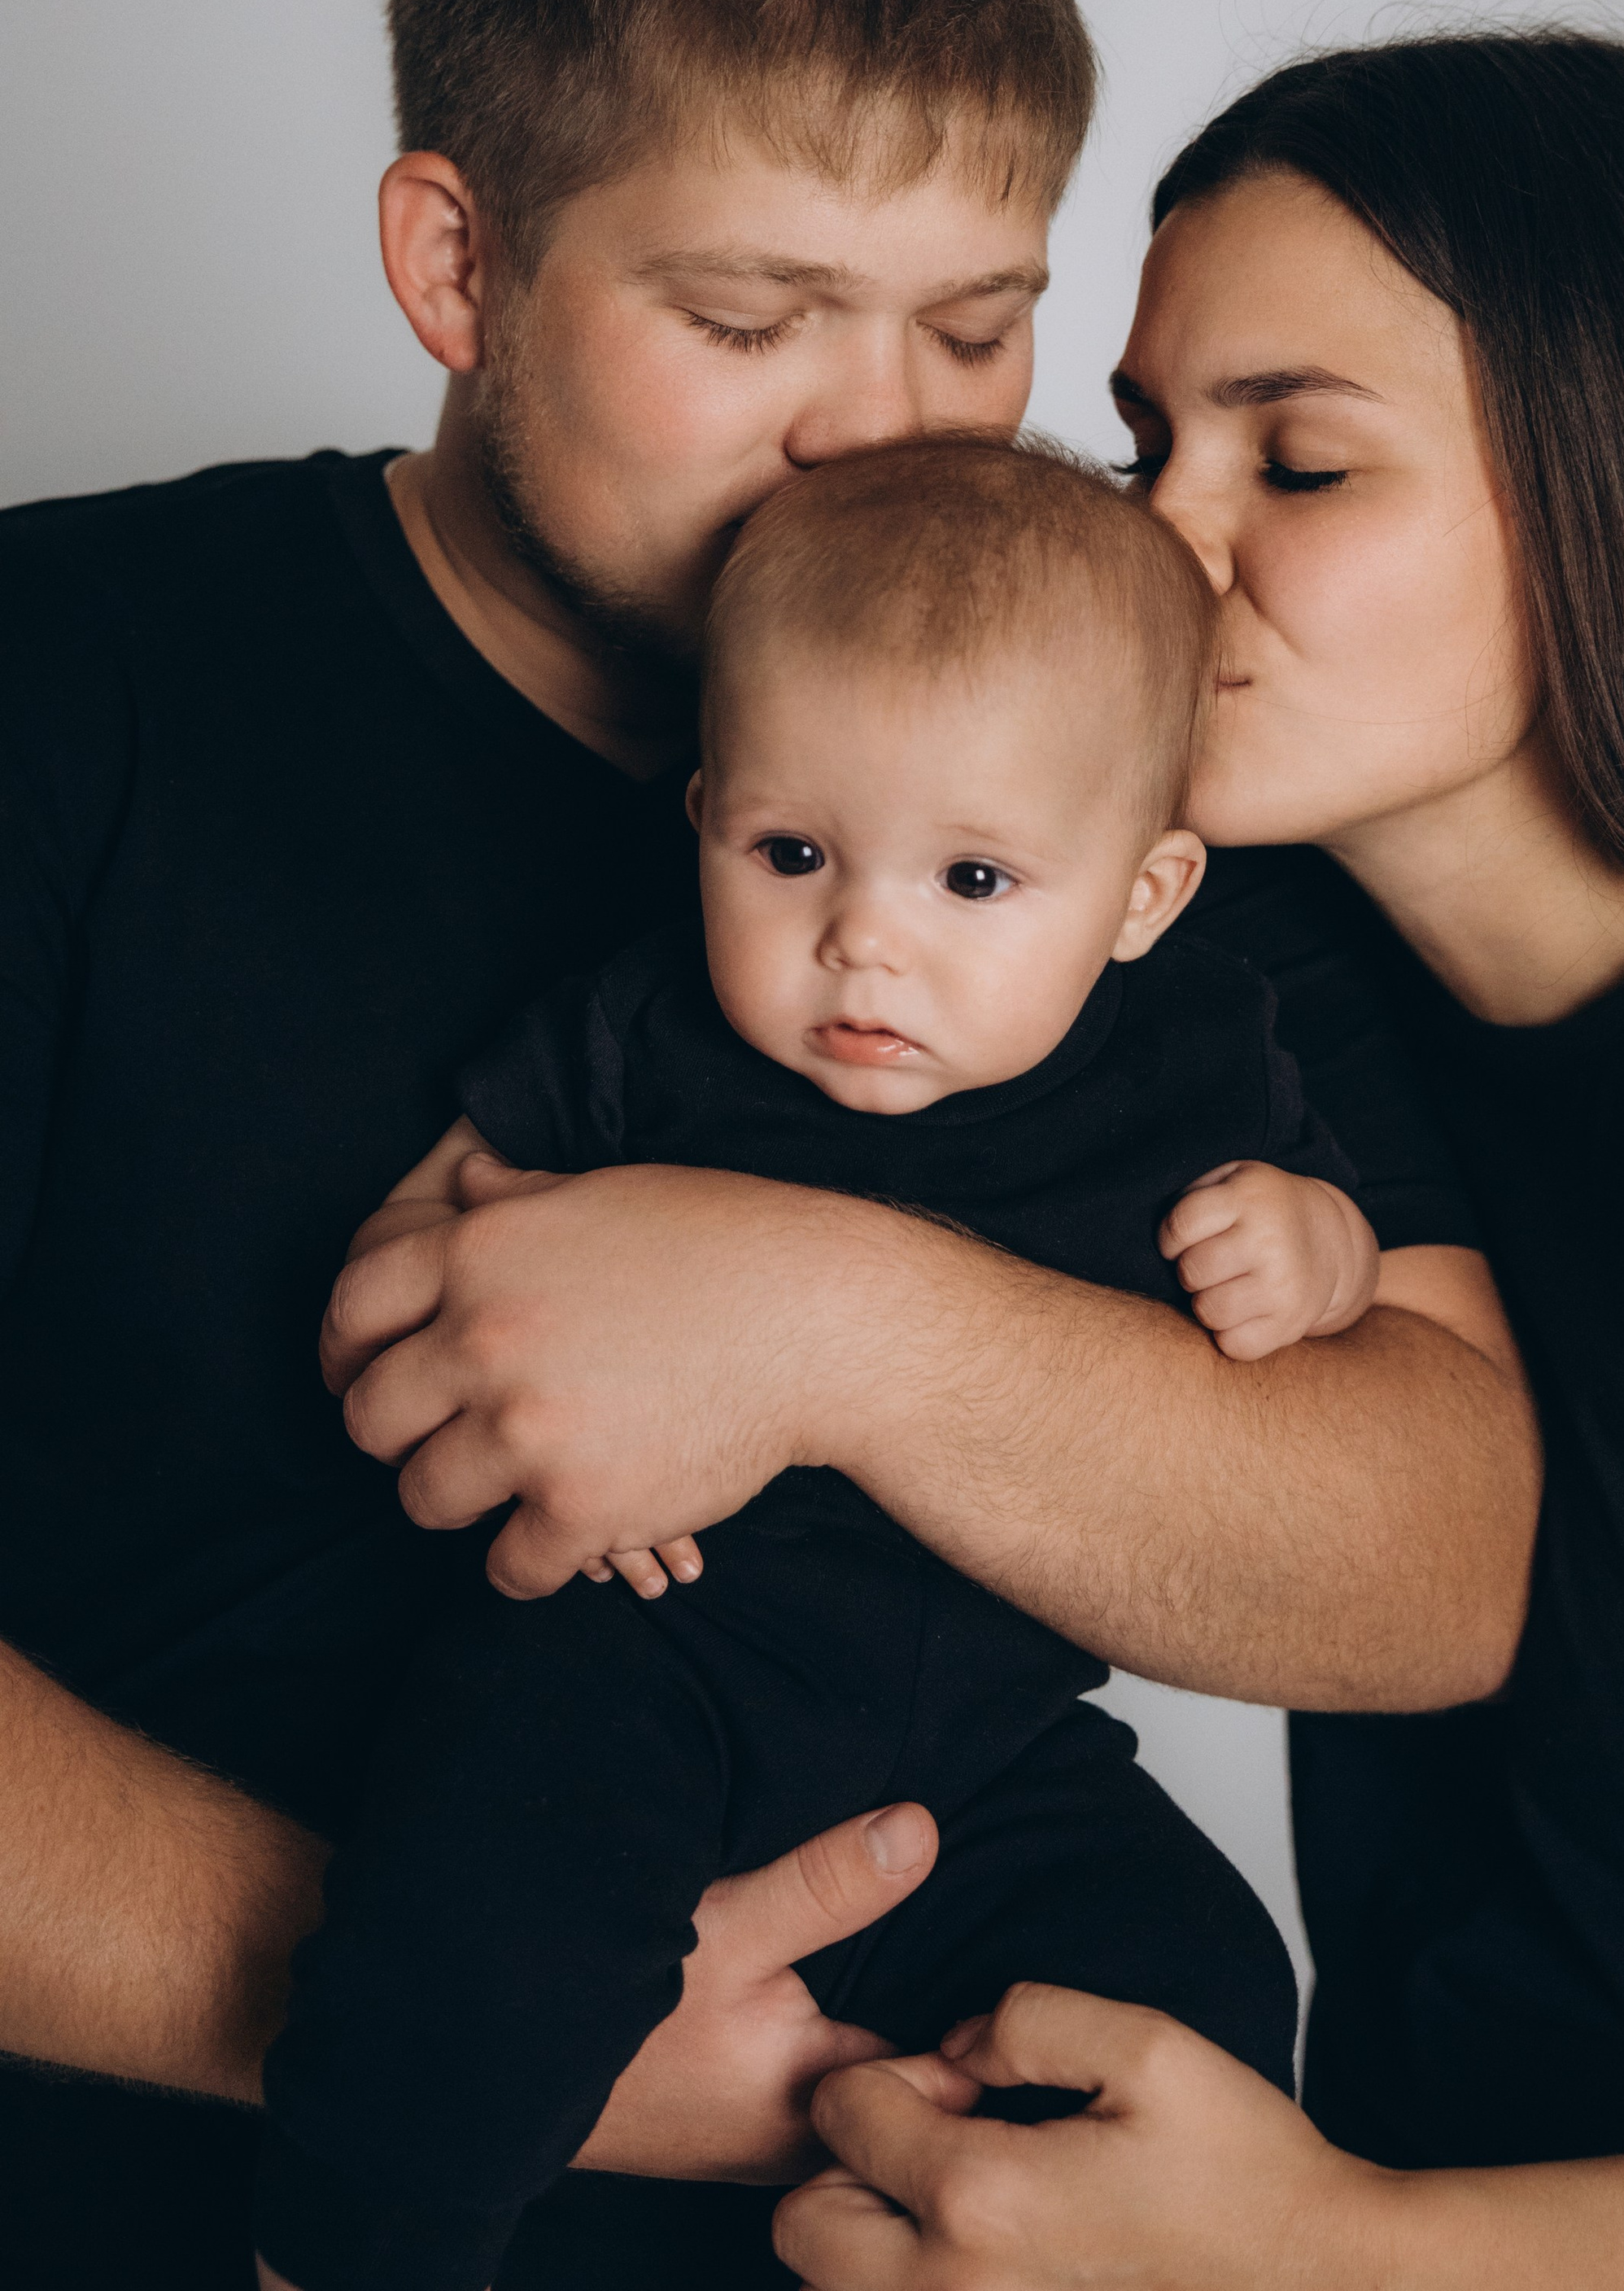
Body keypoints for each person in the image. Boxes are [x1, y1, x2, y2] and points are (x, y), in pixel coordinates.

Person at [0, 0, 1533, 2289]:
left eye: (977, 327)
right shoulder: (70, 686)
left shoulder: (1112, 785)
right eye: (747, 319)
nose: (878, 435)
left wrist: (828, 1327)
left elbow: (1434, 1562)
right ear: (459, 264)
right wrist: (420, 2018)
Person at [739, 32, 1624, 2290]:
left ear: (1622, 488)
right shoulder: (1235, 991)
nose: (1162, 542)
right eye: (1149, 437)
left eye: (1307, 460)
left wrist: (1333, 2256)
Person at [256, 435, 1405, 2291]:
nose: (864, 939)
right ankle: (347, 2251)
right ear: (702, 814)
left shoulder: (1192, 1058)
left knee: (1192, 1975)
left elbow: (1340, 1256)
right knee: (475, 1929)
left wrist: (1313, 1246)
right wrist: (469, 1315)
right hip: (649, 1649)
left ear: (1142, 893)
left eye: (974, 877)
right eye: (791, 853)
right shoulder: (647, 1032)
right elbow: (419, 1250)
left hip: (991, 1743)